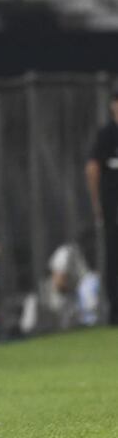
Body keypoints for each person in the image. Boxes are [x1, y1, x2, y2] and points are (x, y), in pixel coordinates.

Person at [86, 93, 118, 326]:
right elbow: (92, 169)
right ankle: (115, 311)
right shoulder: (106, 135)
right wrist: (97, 203)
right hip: (113, 207)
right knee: (114, 256)